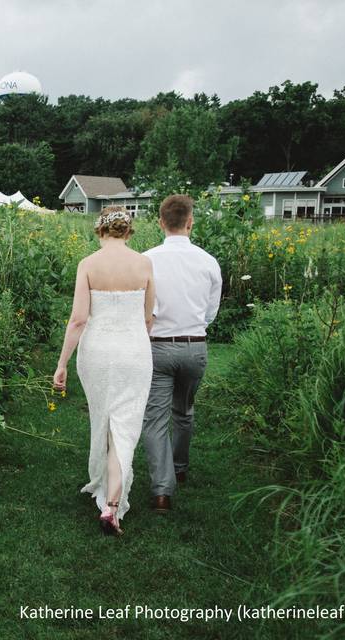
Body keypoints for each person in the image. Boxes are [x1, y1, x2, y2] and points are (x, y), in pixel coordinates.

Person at [53, 206, 155, 536]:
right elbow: (148, 317)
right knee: (124, 423)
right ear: (128, 232)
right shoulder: (144, 264)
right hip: (134, 351)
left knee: (105, 418)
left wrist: (62, 363)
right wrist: (136, 343)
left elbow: (79, 320)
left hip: (96, 352)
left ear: (100, 232)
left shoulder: (88, 264)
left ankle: (108, 496)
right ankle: (112, 504)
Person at [140, 194, 222, 514]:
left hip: (157, 347)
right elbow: (210, 314)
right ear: (190, 222)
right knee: (184, 410)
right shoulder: (208, 261)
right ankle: (179, 467)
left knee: (155, 419)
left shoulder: (146, 260)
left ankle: (162, 491)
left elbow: (141, 307)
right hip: (194, 345)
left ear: (161, 222)